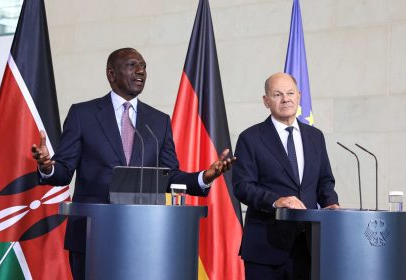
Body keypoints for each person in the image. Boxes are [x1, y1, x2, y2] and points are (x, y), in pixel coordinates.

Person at [31, 47, 235, 280]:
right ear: (111, 74)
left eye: (144, 66)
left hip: (144, 238)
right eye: (132, 65)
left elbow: (170, 177)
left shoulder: (158, 121)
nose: (141, 71)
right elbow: (64, 171)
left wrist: (204, 177)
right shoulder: (82, 114)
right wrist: (47, 167)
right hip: (91, 234)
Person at [232, 72, 339, 280]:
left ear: (299, 96)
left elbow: (324, 180)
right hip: (266, 249)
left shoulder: (315, 137)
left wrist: (330, 204)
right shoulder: (250, 138)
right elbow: (242, 186)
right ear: (266, 101)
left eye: (290, 93)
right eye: (277, 94)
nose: (285, 99)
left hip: (309, 247)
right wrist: (276, 200)